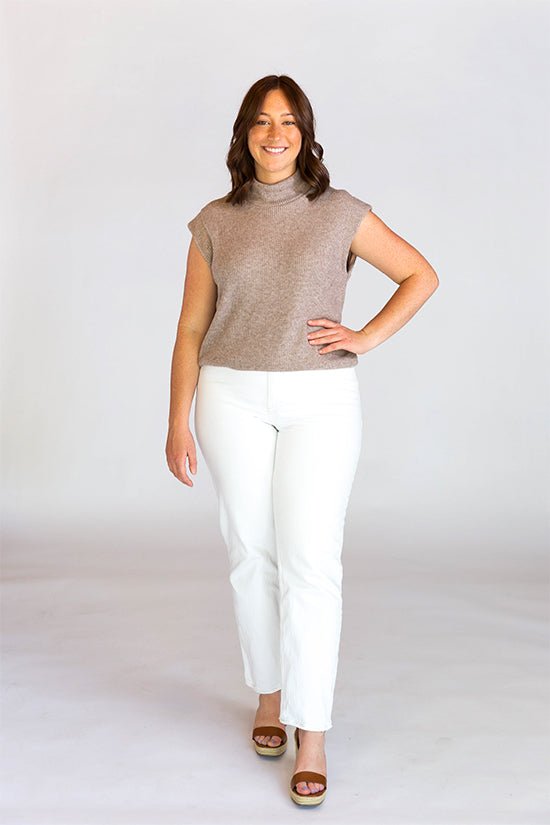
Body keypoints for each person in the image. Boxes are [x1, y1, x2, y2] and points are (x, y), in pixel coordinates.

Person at [166, 74, 439, 807]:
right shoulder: (214, 221)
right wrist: (177, 418)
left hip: (321, 400)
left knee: (310, 563)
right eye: (261, 121)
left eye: (287, 121)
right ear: (244, 134)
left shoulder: (340, 211)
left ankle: (311, 731)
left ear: (305, 134)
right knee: (251, 553)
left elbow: (419, 274)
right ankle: (269, 695)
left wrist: (364, 337)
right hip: (230, 397)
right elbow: (191, 328)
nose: (274, 133)